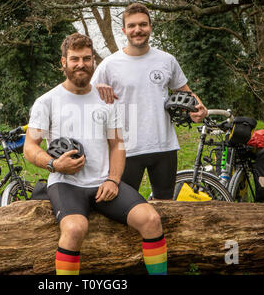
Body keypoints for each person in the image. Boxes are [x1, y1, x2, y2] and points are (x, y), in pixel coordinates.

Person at [24, 33, 168, 275]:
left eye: (87, 58)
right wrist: (53, 164)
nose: (81, 64)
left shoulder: (106, 100)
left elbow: (117, 144)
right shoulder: (46, 102)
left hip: (103, 185)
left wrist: (113, 179)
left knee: (151, 220)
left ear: (93, 61)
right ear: (63, 63)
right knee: (74, 229)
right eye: (75, 59)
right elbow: (29, 147)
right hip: (66, 184)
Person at [90, 2, 208, 200]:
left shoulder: (167, 60)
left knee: (165, 204)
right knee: (125, 206)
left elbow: (185, 91)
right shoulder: (109, 65)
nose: (138, 30)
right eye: (132, 25)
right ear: (124, 30)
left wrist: (200, 108)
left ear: (150, 27)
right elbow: (85, 98)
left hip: (164, 146)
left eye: (143, 25)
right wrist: (96, 90)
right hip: (125, 148)